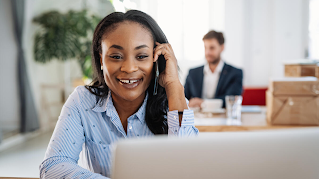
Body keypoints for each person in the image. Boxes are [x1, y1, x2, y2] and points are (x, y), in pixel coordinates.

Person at [39, 10, 198, 179]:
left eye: (142, 56)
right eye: (116, 56)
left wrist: (174, 86)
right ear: (101, 60)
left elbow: (189, 169)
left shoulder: (173, 103)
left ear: (156, 59)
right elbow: (52, 167)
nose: (129, 68)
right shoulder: (82, 101)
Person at [184, 30, 243, 108]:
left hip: (223, 118)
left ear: (222, 48)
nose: (207, 52)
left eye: (212, 48)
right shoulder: (193, 73)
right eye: (205, 47)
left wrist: (202, 103)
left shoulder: (235, 73)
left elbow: (231, 100)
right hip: (198, 118)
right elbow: (183, 99)